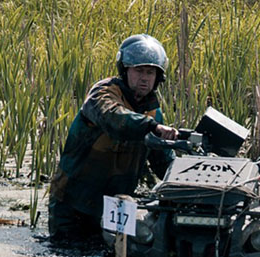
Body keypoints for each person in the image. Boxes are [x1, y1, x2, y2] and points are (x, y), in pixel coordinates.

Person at [48, 34, 178, 241]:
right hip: (73, 203)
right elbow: (114, 118)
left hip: (116, 206)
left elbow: (163, 162)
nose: (144, 78)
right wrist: (152, 127)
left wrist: (188, 178)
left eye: (150, 72)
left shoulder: (153, 114)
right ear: (125, 70)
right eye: (139, 71)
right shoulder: (102, 94)